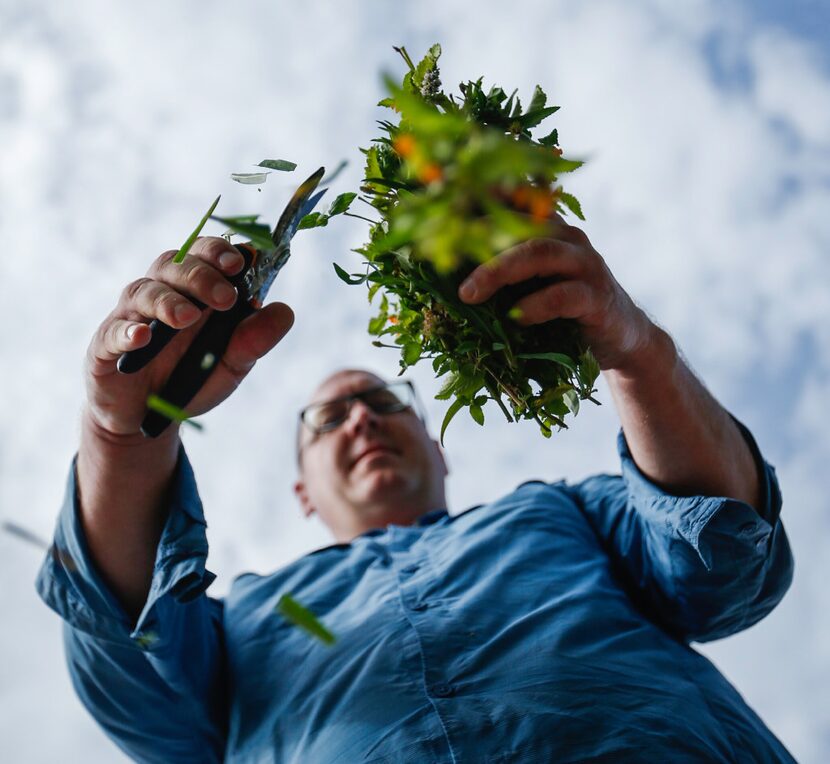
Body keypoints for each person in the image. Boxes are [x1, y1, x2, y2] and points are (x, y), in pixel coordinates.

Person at [37, 222, 796, 763]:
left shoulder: (563, 514)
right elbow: (129, 662)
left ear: (439, 448)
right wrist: (123, 431)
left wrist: (634, 347)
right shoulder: (248, 624)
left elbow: (725, 555)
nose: (361, 418)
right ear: (303, 492)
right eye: (328, 419)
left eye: (384, 401)